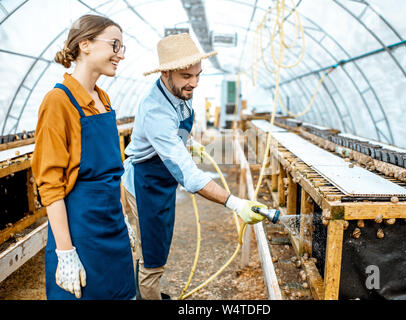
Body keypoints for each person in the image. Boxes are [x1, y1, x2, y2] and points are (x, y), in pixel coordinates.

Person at [122, 33, 267, 300]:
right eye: (187, 76)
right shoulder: (155, 110)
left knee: (158, 244)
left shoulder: (179, 92)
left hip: (161, 178)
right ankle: (146, 295)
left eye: (198, 74)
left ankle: (145, 291)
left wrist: (187, 144)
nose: (195, 83)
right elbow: (188, 176)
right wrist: (236, 203)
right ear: (166, 73)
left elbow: (177, 133)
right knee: (152, 254)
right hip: (146, 182)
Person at [31, 14, 136, 300]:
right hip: (81, 234)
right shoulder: (59, 101)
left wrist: (124, 219)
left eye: (122, 48)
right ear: (86, 44)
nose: (120, 55)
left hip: (112, 226)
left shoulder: (104, 99)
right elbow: (49, 186)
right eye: (115, 45)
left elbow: (115, 172)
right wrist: (65, 252)